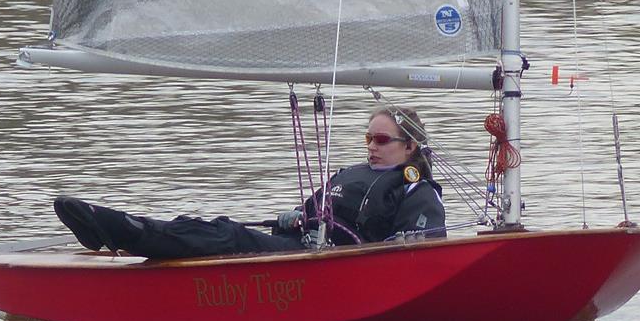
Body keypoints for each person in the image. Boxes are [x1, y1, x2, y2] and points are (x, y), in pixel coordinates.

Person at [54, 106, 446, 259]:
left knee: (229, 237)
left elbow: (421, 253)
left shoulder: (415, 189)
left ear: (410, 145)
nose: (372, 148)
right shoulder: (350, 174)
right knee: (218, 228)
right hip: (300, 250)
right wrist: (293, 217)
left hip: (332, 265)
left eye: (381, 141)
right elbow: (309, 213)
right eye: (368, 139)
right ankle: (117, 228)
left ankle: (123, 229)